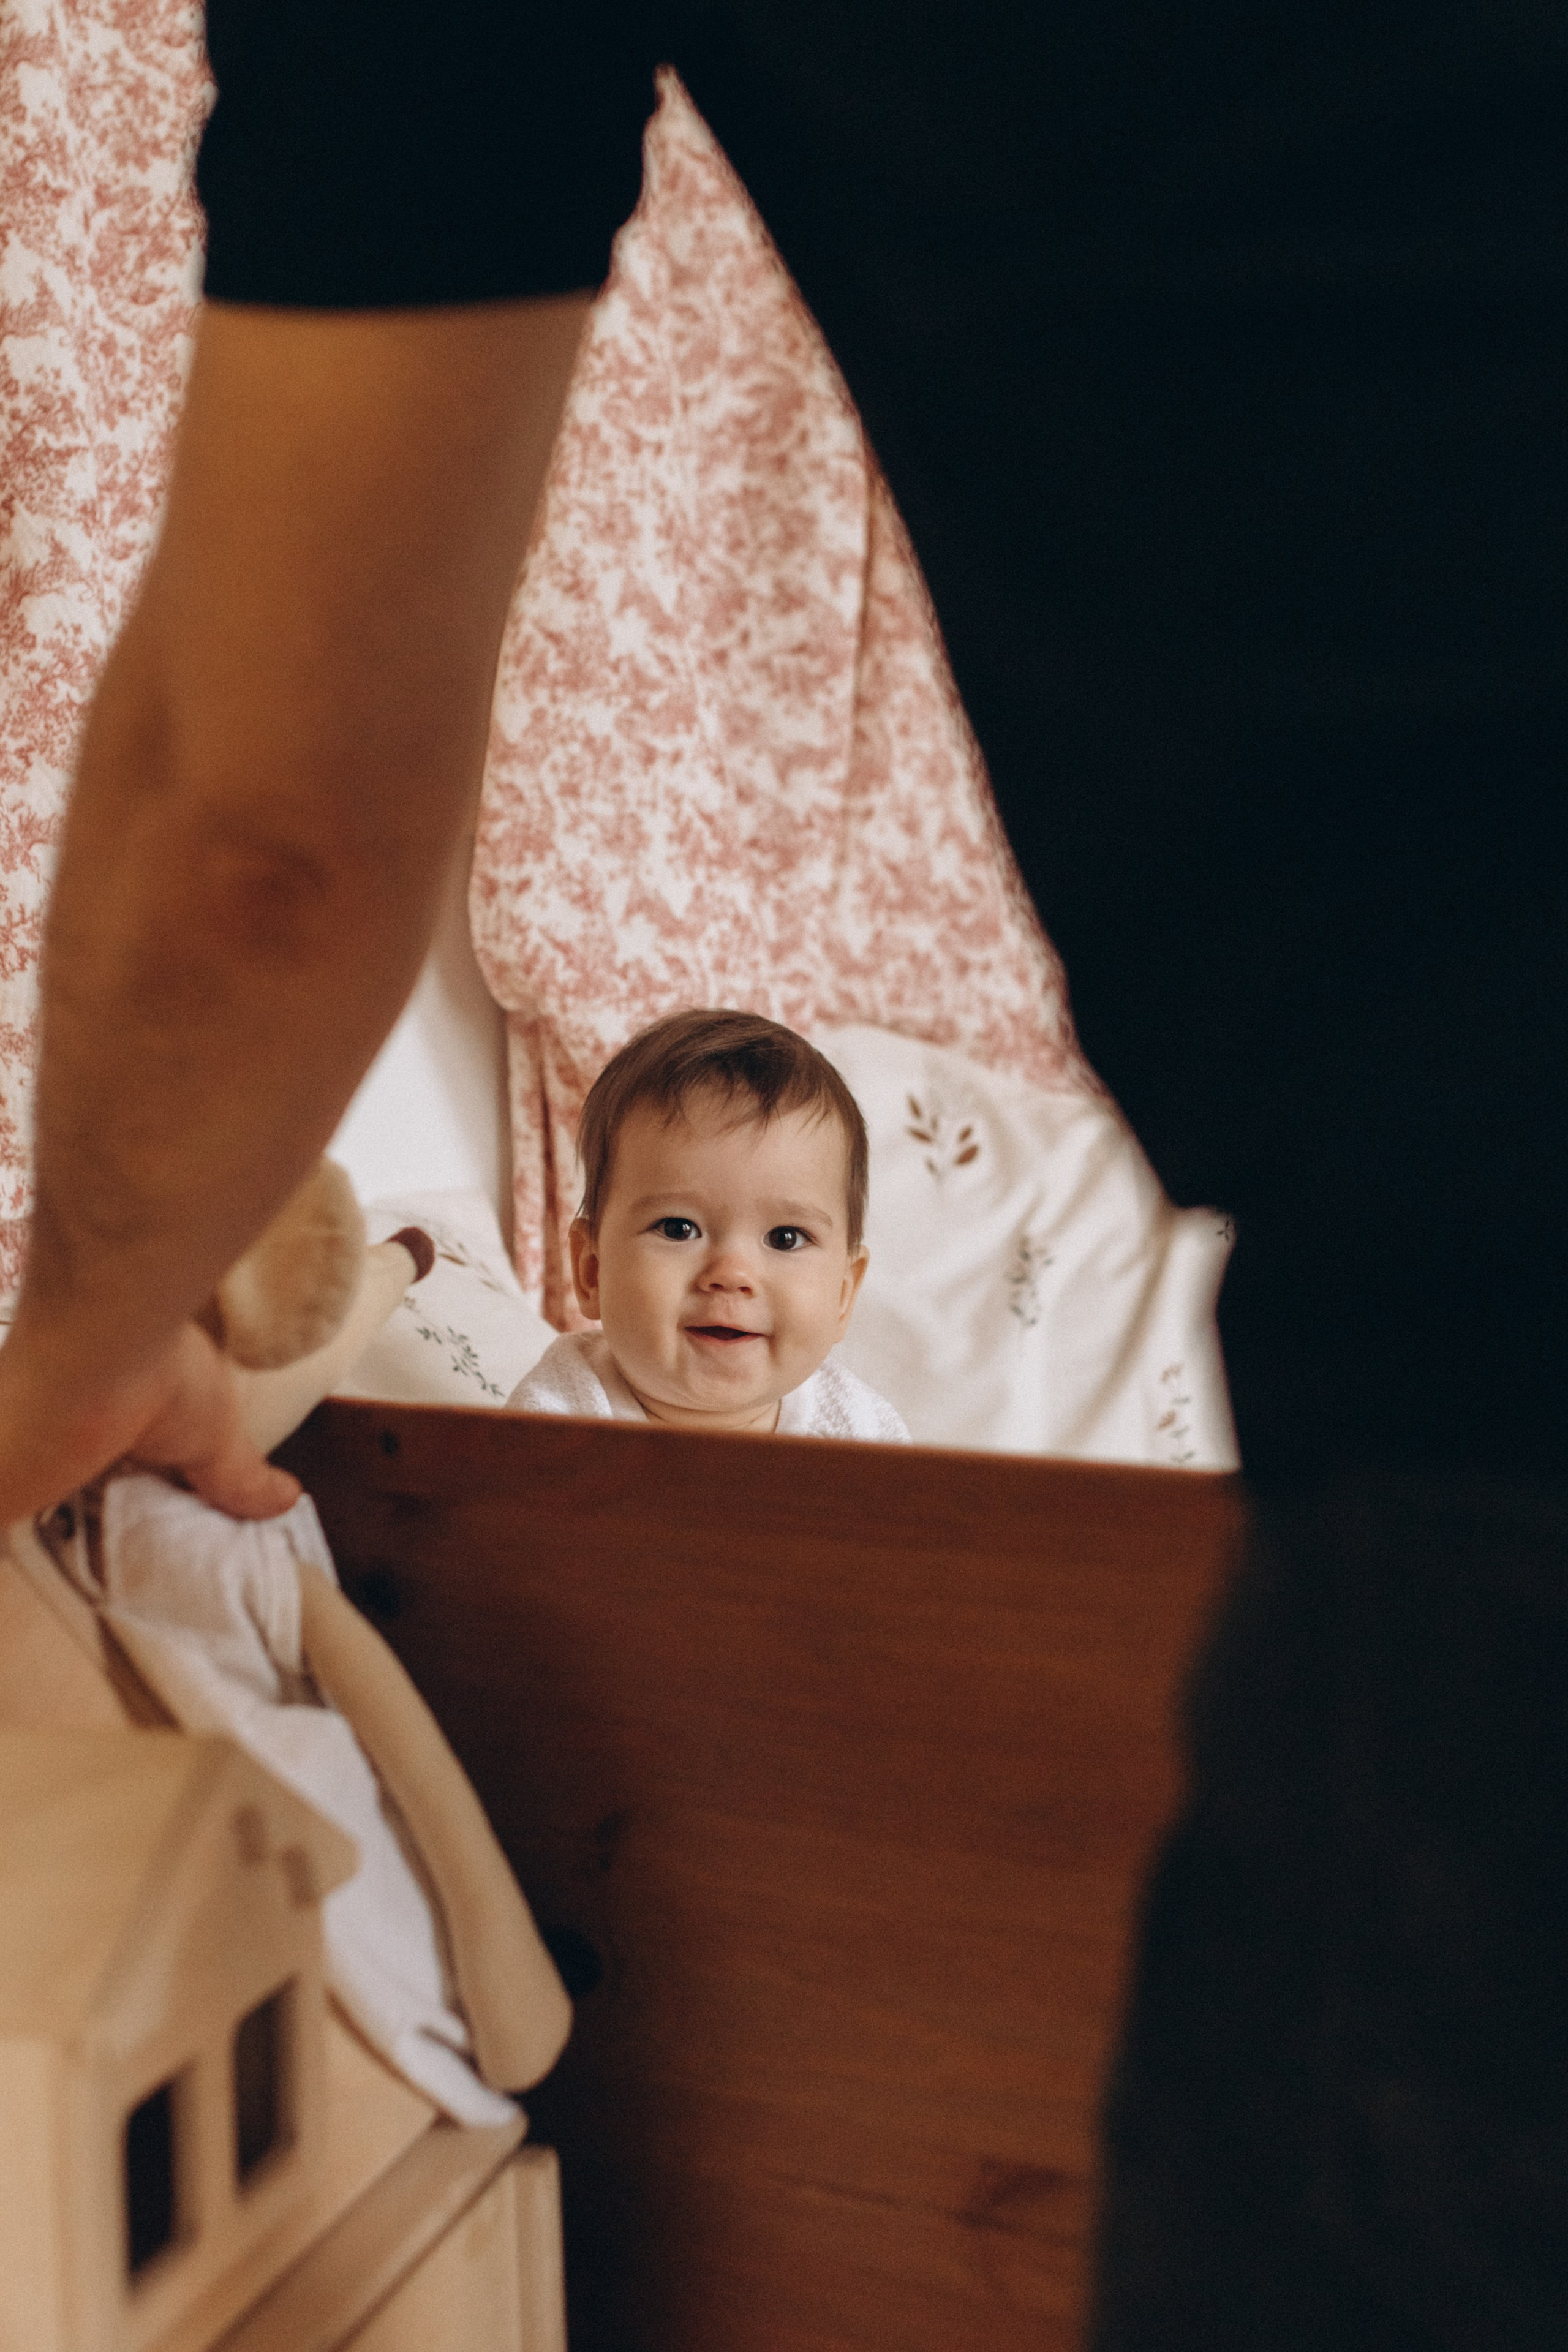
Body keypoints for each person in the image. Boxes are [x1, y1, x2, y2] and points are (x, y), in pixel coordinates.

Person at [1, 5, 1562, 2343]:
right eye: (676, 1232)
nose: (723, 1286)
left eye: (782, 1244)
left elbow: (261, 832)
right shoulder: (530, 1383)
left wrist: (73, 1355)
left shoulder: (884, 1453)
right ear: (584, 1245)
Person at [507, 1011, 907, 1440]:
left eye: (785, 1238)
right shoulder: (558, 1418)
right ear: (591, 1271)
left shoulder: (862, 1433)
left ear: (843, 1296)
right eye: (679, 1229)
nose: (731, 1274)